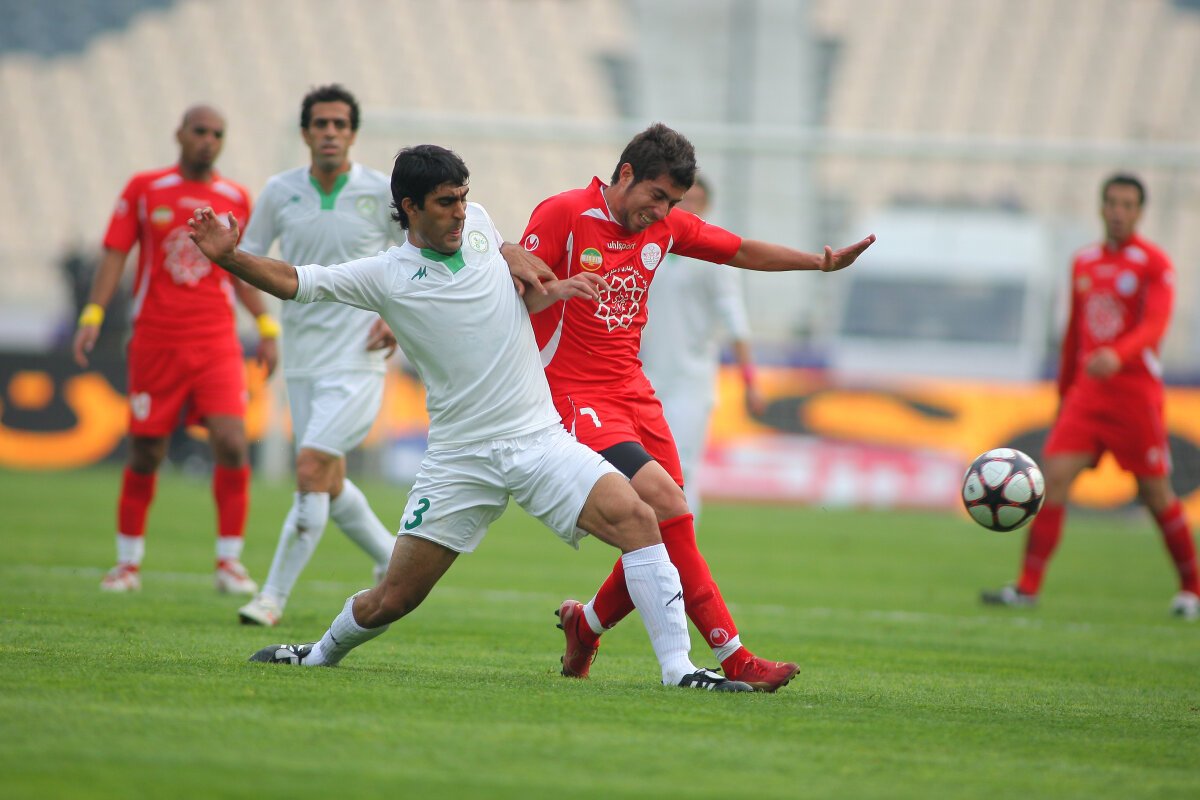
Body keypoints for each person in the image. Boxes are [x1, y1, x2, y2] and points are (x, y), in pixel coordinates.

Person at [188, 144, 753, 691]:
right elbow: (295, 281)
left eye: (462, 197)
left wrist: (551, 286)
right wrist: (231, 257)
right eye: (445, 202)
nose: (460, 211)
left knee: (638, 518)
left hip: (537, 438)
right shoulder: (385, 275)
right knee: (394, 598)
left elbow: (508, 291)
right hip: (461, 458)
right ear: (410, 207)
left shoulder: (480, 224)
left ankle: (679, 670)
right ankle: (318, 654)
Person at [517, 123, 875, 691]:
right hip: (575, 394)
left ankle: (585, 626)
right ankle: (734, 656)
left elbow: (741, 250)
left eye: (673, 203)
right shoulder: (564, 213)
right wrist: (545, 285)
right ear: (626, 174)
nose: (662, 212)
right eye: (657, 196)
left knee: (668, 523)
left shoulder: (665, 228)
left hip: (635, 392)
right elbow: (512, 288)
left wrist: (818, 263)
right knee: (666, 506)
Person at [73, 104, 278, 594]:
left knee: (232, 441)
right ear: (180, 134)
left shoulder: (234, 197)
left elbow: (240, 267)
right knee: (146, 451)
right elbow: (116, 253)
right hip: (157, 338)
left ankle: (229, 562)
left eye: (217, 133)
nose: (209, 140)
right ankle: (127, 565)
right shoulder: (145, 189)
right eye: (200, 131)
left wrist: (267, 324)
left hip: (216, 339)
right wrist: (93, 313)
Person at [982, 174, 1200, 619]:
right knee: (1054, 478)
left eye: (1127, 205)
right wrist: (1065, 393)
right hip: (1087, 395)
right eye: (1112, 203)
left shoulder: (1154, 263)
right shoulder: (1084, 262)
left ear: (1139, 212)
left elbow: (1156, 325)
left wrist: (1118, 355)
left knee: (1156, 494)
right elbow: (1074, 335)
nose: (1118, 211)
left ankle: (1192, 589)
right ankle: (1027, 588)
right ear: (1101, 208)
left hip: (1134, 396)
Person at [235, 85, 399, 627]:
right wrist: (264, 325)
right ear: (305, 132)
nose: (330, 132)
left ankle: (270, 598)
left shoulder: (380, 190)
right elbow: (244, 261)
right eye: (321, 124)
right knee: (326, 479)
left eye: (340, 124)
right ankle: (391, 557)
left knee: (308, 468)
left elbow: (415, 255)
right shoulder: (279, 191)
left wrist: (396, 315)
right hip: (302, 359)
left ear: (353, 133)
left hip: (357, 358)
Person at [639, 175, 766, 520]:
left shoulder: (715, 255)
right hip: (645, 379)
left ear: (707, 206)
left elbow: (735, 319)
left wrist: (750, 380)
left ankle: (681, 547)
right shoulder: (651, 244)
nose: (688, 208)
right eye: (683, 201)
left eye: (695, 201)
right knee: (645, 472)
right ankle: (652, 547)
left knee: (681, 470)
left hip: (690, 382)